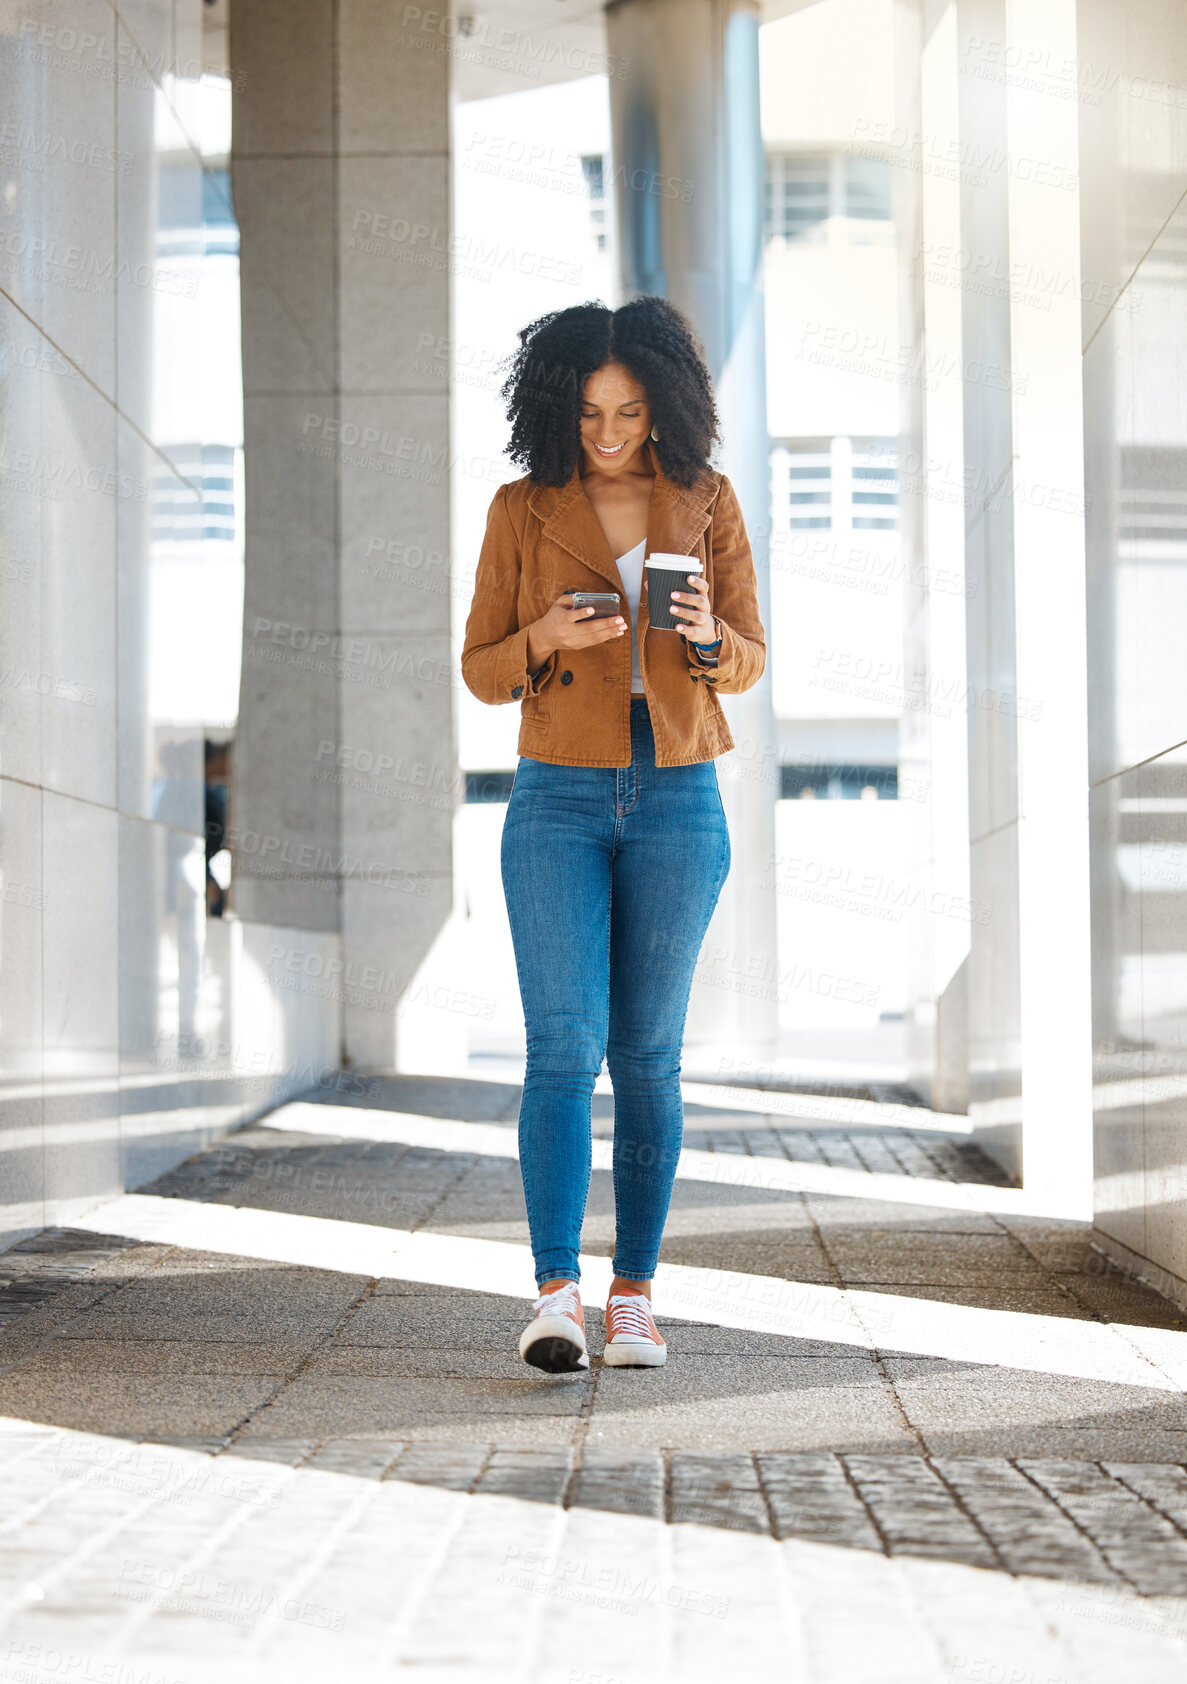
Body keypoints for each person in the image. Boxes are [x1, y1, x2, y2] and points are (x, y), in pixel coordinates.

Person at [460, 296, 766, 1374]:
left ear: (661, 407)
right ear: (559, 406)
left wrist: (707, 635)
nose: (606, 433)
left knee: (647, 1058)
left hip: (679, 793)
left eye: (627, 412)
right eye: (589, 412)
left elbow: (752, 656)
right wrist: (541, 633)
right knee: (561, 1048)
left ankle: (633, 1297)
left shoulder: (706, 500)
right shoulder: (519, 508)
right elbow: (479, 668)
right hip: (555, 796)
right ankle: (556, 1294)